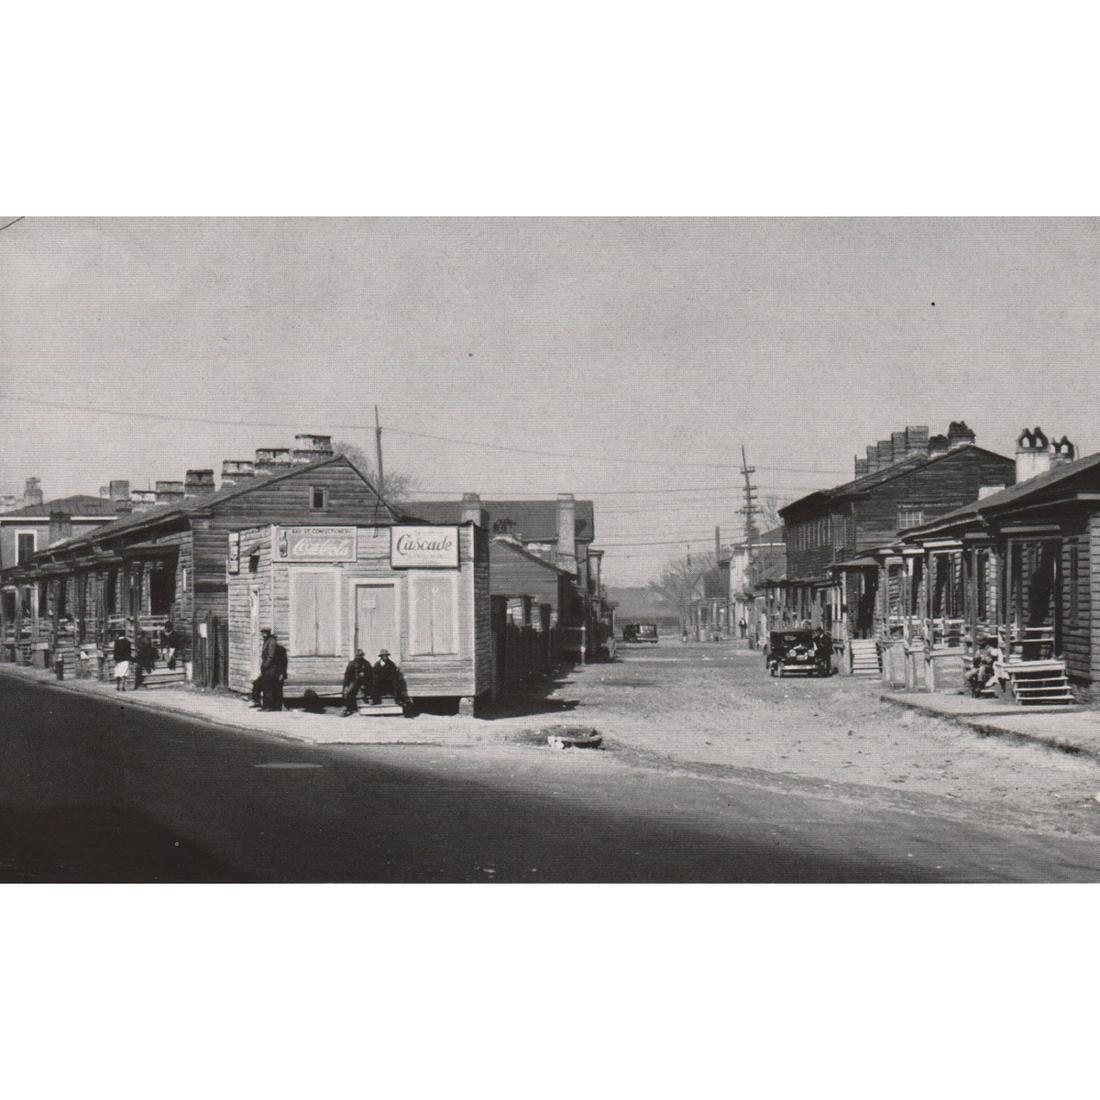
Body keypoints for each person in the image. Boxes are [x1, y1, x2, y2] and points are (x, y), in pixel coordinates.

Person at [251, 628, 279, 709]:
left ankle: (267, 706)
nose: (263, 634)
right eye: (262, 633)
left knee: (267, 687)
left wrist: (265, 665)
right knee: (257, 683)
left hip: (271, 669)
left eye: (265, 633)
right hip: (266, 668)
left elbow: (271, 656)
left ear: (268, 633)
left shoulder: (271, 641)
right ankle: (257, 701)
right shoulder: (266, 641)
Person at [342, 649, 374, 716]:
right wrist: (346, 685)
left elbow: (371, 675)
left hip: (364, 682)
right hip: (354, 681)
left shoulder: (366, 663)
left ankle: (369, 699)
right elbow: (347, 675)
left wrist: (365, 674)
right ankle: (345, 708)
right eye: (358, 656)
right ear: (356, 656)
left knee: (370, 689)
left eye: (361, 655)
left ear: (363, 656)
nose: (359, 657)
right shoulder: (352, 664)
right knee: (348, 692)